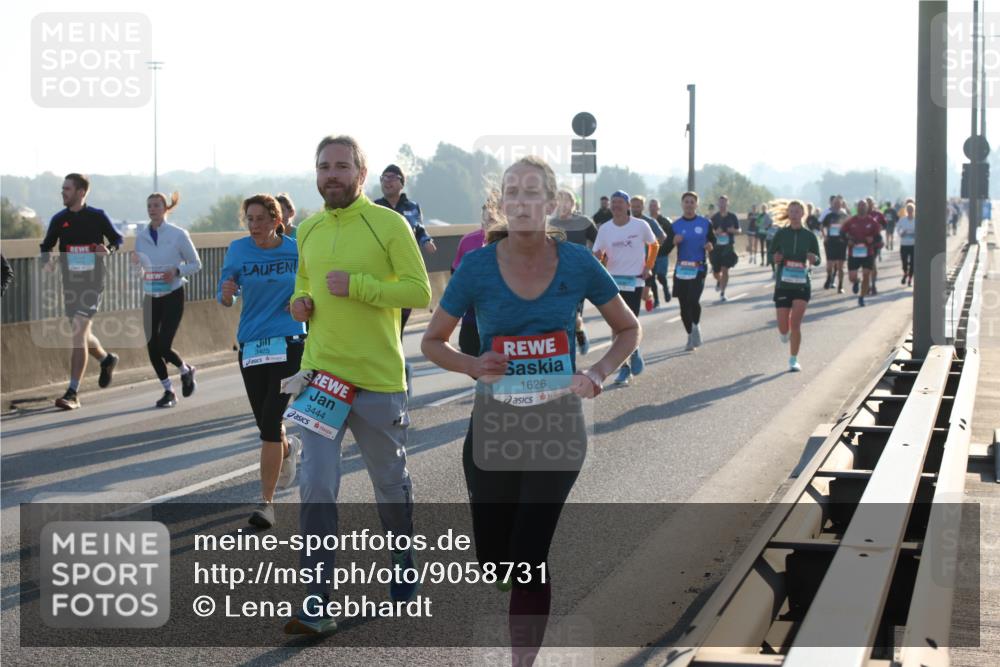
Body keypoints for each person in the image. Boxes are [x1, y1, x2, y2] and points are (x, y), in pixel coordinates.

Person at [421, 156, 639, 666]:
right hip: (494, 425)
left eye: (532, 192)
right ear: (502, 202)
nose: (522, 202)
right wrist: (474, 364)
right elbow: (433, 342)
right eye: (512, 192)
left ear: (552, 202)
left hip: (557, 425)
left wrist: (597, 373)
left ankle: (523, 661)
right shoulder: (476, 265)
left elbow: (628, 329)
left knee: (529, 556)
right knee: (497, 560)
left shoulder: (580, 263)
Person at [283, 135, 431, 635]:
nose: (332, 175)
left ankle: (402, 559)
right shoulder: (307, 229)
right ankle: (317, 600)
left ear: (361, 174)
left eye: (342, 166)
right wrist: (300, 302)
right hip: (322, 379)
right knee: (317, 487)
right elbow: (305, 282)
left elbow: (419, 291)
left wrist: (362, 287)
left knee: (389, 485)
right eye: (324, 166)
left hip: (378, 380)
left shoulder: (389, 223)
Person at [218, 194, 304, 529]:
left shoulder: (295, 250)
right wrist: (227, 293)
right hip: (252, 344)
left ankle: (266, 503)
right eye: (249, 219)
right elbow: (227, 295)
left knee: (270, 421)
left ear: (275, 220)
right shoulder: (239, 250)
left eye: (260, 219)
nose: (254, 225)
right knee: (265, 423)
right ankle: (286, 450)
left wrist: (303, 300)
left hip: (289, 341)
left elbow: (311, 287)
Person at [40, 173, 124, 410]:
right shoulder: (59, 219)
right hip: (70, 284)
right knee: (83, 336)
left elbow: (117, 239)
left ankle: (73, 392)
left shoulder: (97, 217)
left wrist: (107, 249)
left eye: (67, 188)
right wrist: (47, 261)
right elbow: (46, 247)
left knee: (78, 333)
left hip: (92, 284)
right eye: (62, 188)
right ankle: (106, 359)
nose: (63, 192)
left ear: (81, 192)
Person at [131, 191, 202, 408]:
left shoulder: (178, 234)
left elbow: (196, 264)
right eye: (149, 206)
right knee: (152, 346)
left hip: (173, 293)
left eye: (156, 205)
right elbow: (137, 267)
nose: (152, 209)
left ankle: (185, 369)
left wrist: (177, 270)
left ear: (165, 209)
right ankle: (168, 390)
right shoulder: (141, 237)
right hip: (151, 294)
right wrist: (138, 270)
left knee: (164, 345)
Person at [374, 163, 436, 396]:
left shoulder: (411, 207)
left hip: (406, 276)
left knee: (396, 327)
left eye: (392, 177)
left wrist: (426, 241)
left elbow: (420, 230)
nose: (387, 181)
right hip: (380, 275)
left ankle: (398, 374)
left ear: (402, 182)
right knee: (384, 329)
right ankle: (392, 374)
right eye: (383, 177)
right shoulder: (374, 208)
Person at [592, 190, 658, 384]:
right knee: (616, 325)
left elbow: (654, 245)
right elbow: (598, 252)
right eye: (614, 202)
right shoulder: (605, 228)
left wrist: (648, 266)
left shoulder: (640, 225)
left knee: (630, 322)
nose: (616, 206)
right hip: (613, 281)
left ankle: (633, 348)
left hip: (634, 281)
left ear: (628, 206)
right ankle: (625, 367)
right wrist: (598, 262)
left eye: (620, 202)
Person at [769, 201, 821, 372]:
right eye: (791, 211)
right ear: (788, 213)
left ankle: (793, 359)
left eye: (797, 211)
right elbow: (771, 254)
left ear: (803, 214)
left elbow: (818, 259)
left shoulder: (809, 236)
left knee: (795, 324)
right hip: (783, 284)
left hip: (802, 284)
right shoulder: (781, 234)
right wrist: (775, 258)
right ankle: (785, 334)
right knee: (784, 328)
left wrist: (813, 259)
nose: (794, 214)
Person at [549, 189, 599, 351]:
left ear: (573, 203)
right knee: (560, 316)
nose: (563, 205)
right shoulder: (551, 224)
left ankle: (578, 331)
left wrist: (592, 260)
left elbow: (599, 242)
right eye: (559, 201)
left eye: (566, 201)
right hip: (554, 275)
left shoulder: (584, 222)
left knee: (574, 314)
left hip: (578, 275)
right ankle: (573, 338)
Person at [672, 192, 716, 351]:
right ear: (682, 204)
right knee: (683, 305)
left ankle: (696, 325)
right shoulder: (675, 225)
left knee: (693, 299)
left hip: (699, 268)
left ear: (696, 205)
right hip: (681, 269)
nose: (689, 205)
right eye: (686, 202)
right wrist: (673, 241)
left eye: (692, 202)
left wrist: (710, 245)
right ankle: (690, 334)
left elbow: (713, 239)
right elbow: (665, 249)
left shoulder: (705, 223)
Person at [451, 195, 494, 355]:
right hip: (472, 320)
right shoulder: (468, 241)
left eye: (494, 219)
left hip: (504, 321)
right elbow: (455, 276)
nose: (490, 223)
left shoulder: (515, 241)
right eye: (487, 219)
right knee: (470, 353)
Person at [629, 196, 666, 311]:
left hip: (647, 262)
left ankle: (649, 297)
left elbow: (662, 236)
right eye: (633, 206)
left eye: (638, 206)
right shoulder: (626, 221)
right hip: (631, 262)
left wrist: (651, 247)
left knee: (644, 295)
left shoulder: (649, 222)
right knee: (631, 291)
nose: (635, 209)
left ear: (643, 207)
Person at [841, 199, 881, 307]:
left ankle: (862, 297)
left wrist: (872, 239)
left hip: (868, 253)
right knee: (852, 277)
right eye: (860, 205)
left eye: (864, 205)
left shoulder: (872, 222)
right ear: (857, 207)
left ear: (867, 207)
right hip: (853, 253)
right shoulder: (851, 221)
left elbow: (879, 238)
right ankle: (856, 281)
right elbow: (842, 233)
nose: (862, 207)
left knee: (866, 274)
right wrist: (847, 241)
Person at [709, 194, 740, 301]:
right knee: (716, 272)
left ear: (728, 204)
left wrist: (733, 231)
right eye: (720, 203)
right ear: (718, 204)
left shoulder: (732, 217)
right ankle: (719, 280)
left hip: (728, 247)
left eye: (724, 202)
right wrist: (715, 232)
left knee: (725, 269)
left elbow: (739, 230)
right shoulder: (714, 218)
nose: (722, 205)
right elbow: (709, 233)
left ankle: (722, 293)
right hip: (716, 248)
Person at [648, 198, 674, 307]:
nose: (653, 208)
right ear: (648, 208)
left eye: (655, 205)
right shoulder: (646, 221)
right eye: (651, 205)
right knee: (651, 277)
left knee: (661, 276)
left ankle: (665, 289)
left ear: (659, 207)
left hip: (662, 254)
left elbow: (672, 236)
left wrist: (667, 249)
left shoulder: (665, 221)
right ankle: (656, 300)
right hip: (650, 255)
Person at [821, 195, 849, 293]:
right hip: (831, 243)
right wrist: (825, 236)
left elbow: (849, 229)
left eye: (838, 203)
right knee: (829, 266)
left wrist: (847, 238)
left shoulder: (844, 216)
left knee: (841, 267)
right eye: (835, 203)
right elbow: (822, 226)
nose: (837, 205)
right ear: (832, 204)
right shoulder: (829, 216)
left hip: (841, 243)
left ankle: (840, 286)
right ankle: (829, 276)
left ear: (841, 204)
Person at [897, 202, 916, 286]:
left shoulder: (916, 220)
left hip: (913, 245)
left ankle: (910, 278)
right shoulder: (902, 220)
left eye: (911, 210)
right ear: (906, 210)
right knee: (904, 261)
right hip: (904, 244)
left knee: (912, 263)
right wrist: (902, 233)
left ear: (914, 210)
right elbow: (898, 229)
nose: (910, 211)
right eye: (908, 210)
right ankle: (905, 273)